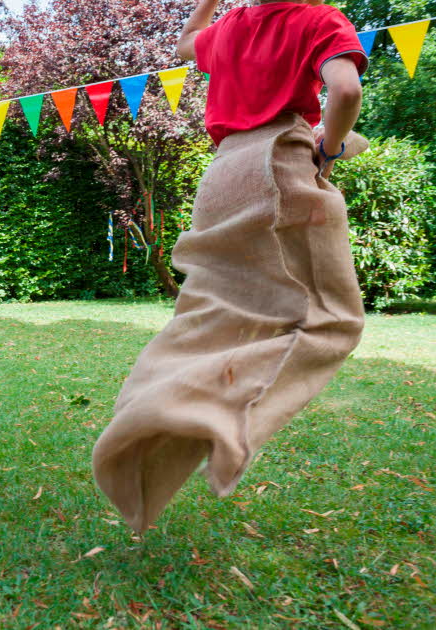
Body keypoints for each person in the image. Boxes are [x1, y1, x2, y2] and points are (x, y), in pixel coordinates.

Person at [92, 0, 370, 533]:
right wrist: (329, 150)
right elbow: (347, 90)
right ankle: (223, 422)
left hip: (222, 176)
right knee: (333, 319)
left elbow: (184, 44)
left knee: (211, 310)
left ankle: (146, 404)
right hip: (279, 164)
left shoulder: (232, 27)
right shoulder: (319, 19)